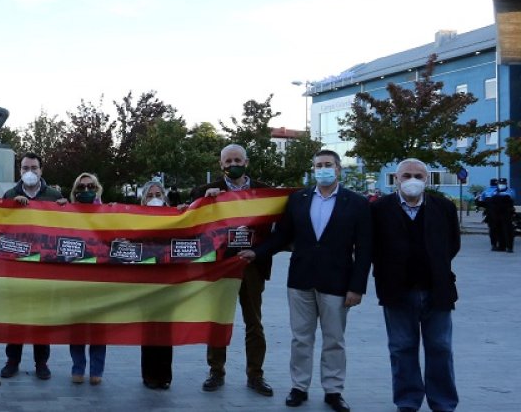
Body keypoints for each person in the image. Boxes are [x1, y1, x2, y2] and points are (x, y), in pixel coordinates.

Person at [238, 150, 370, 412]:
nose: (323, 169)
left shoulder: (356, 203)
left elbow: (365, 249)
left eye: (328, 165)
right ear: (313, 169)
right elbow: (282, 236)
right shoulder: (298, 199)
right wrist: (257, 252)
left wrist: (357, 287)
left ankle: (333, 390)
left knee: (334, 339)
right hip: (301, 280)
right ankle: (299, 387)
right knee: (301, 338)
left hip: (337, 281)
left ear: (338, 169)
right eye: (318, 165)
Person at [371, 159, 460, 412]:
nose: (413, 180)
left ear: (427, 180)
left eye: (419, 176)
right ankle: (407, 401)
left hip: (437, 290)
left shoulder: (443, 207)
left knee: (441, 347)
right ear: (396, 179)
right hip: (396, 291)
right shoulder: (379, 209)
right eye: (407, 175)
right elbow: (372, 247)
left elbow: (452, 245)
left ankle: (443, 403)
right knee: (401, 348)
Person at [189, 144, 274, 397]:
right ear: (221, 164)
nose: (232, 164)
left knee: (254, 322)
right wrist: (205, 202)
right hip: (220, 265)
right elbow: (191, 222)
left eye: (237, 160)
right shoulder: (206, 191)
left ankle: (255, 375)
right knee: (218, 319)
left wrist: (258, 252)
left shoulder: (265, 191)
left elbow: (276, 230)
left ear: (246, 162)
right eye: (228, 161)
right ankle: (216, 371)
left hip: (252, 265)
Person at [0, 152, 66, 380]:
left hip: (44, 266)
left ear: (41, 170)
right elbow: (1, 226)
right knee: (15, 315)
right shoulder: (10, 194)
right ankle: (12, 360)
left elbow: (65, 227)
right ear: (20, 171)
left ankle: (41, 362)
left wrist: (64, 208)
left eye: (34, 168)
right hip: (17, 265)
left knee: (42, 316)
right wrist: (12, 207)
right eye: (25, 168)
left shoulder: (54, 196)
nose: (30, 172)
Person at [67, 172, 108, 385]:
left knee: (99, 326)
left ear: (97, 189)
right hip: (76, 277)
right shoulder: (67, 214)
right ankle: (78, 367)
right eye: (81, 187)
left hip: (100, 278)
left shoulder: (108, 213)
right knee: (77, 326)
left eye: (90, 186)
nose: (86, 190)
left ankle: (96, 370)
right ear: (75, 192)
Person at [137, 180, 175, 390]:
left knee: (166, 328)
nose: (154, 199)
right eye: (150, 195)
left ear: (164, 197)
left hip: (168, 278)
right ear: (144, 199)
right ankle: (150, 375)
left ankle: (164, 376)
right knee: (149, 327)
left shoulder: (176, 217)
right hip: (146, 279)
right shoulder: (137, 219)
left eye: (158, 194)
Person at [486, 178, 515, 253]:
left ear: (506, 184)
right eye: (500, 183)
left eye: (503, 183)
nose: (501, 185)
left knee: (507, 230)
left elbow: (511, 199)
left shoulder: (510, 191)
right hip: (495, 214)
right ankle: (499, 246)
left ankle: (509, 247)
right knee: (496, 230)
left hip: (506, 214)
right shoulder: (494, 191)